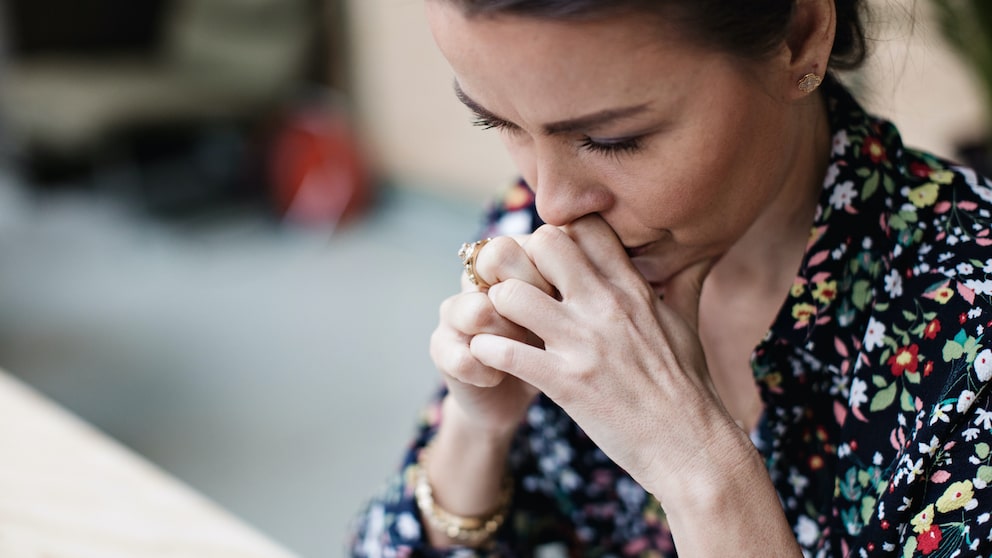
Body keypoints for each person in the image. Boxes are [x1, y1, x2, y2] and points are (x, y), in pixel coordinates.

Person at [350, 0, 992, 555]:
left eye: (612, 139)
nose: (551, 201)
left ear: (799, 36)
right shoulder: (537, 230)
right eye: (500, 123)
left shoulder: (969, 325)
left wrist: (697, 466)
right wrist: (477, 430)